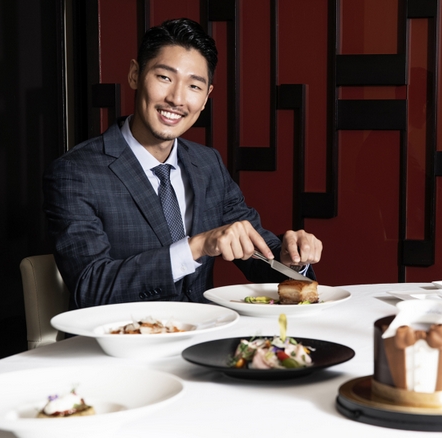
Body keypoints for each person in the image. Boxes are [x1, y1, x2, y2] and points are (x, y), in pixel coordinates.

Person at [43, 18, 322, 309]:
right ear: (135, 75)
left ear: (206, 97)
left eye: (194, 86)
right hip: (122, 336)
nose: (177, 98)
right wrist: (196, 247)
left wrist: (291, 258)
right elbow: (90, 287)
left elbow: (257, 253)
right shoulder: (75, 173)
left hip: (207, 332)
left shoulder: (208, 164)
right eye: (164, 77)